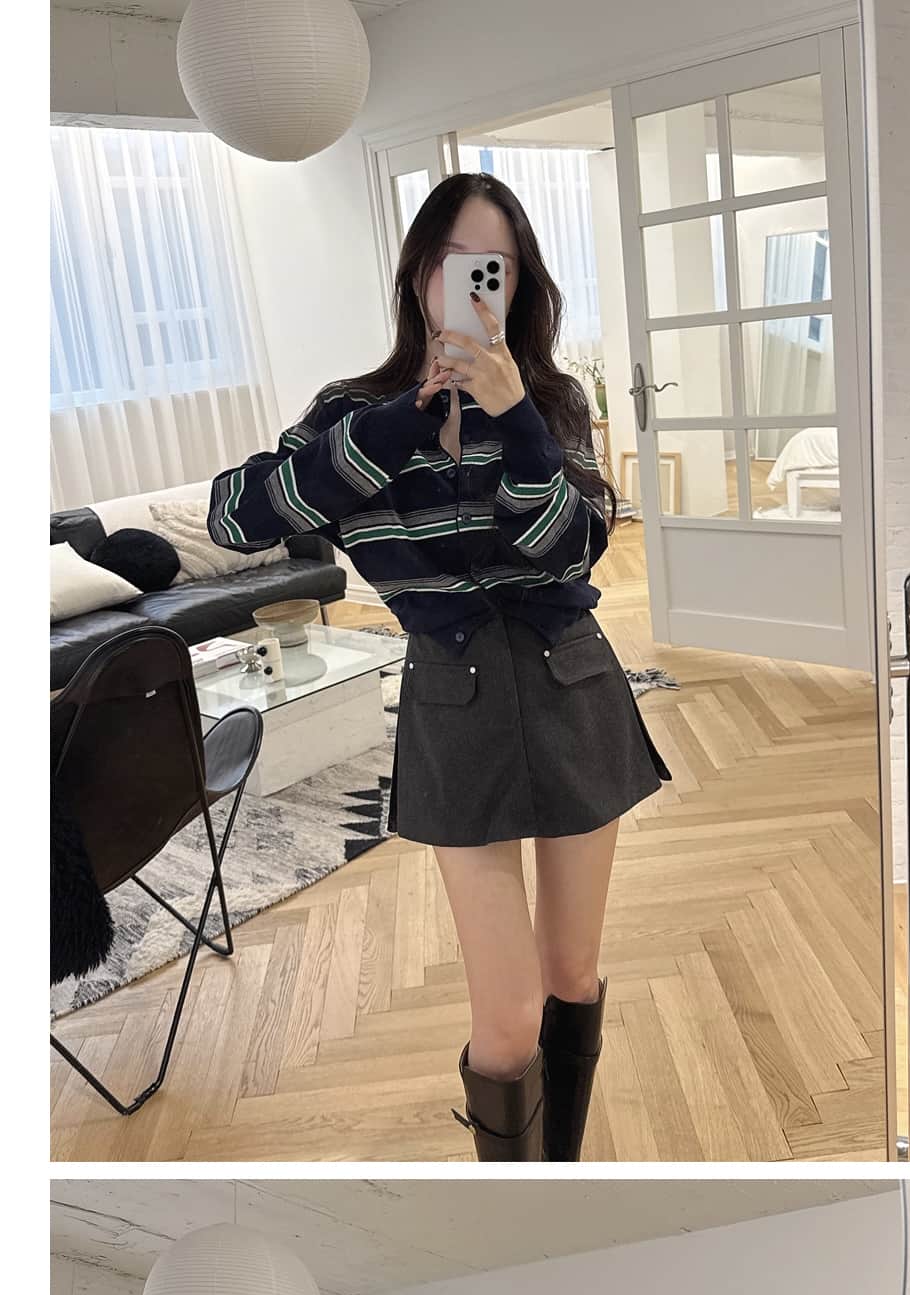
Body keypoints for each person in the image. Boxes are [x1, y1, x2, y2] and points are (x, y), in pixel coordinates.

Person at [208, 168, 669, 1161]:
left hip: (570, 684)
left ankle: (560, 1181)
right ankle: (518, 1197)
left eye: (494, 266)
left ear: (519, 283)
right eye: (455, 261)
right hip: (454, 702)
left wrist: (515, 423)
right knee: (506, 1024)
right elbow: (234, 517)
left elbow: (572, 551)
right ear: (419, 272)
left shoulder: (550, 400)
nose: (472, 283)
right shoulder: (353, 409)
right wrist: (397, 427)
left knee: (571, 976)